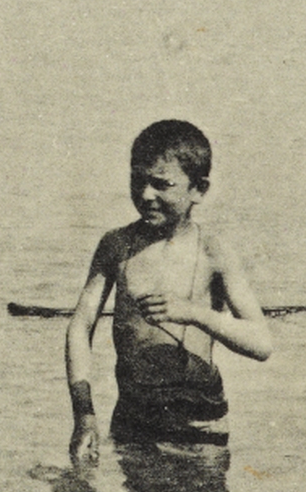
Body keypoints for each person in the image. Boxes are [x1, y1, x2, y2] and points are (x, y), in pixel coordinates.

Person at [64, 120, 274, 464]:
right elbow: (80, 325)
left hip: (201, 422)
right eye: (138, 180)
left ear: (199, 190)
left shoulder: (213, 251)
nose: (146, 194)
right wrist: (83, 412)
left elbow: (262, 344)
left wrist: (194, 313)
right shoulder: (117, 245)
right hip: (133, 414)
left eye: (161, 184)